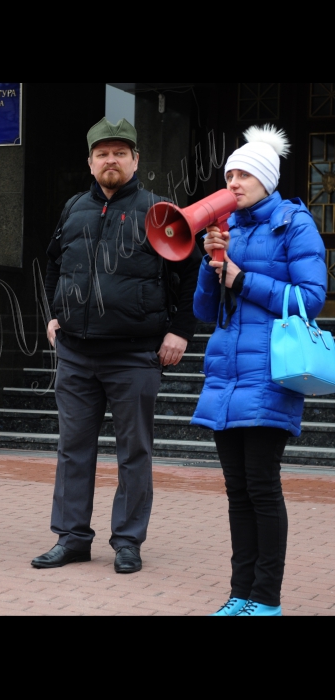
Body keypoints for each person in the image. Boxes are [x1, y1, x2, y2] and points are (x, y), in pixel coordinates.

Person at [32, 117, 201, 573]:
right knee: (73, 448)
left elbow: (190, 276)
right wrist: (53, 314)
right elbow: (53, 265)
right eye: (103, 153)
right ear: (90, 162)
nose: (112, 160)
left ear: (135, 160)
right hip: (76, 352)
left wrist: (180, 331)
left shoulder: (159, 211)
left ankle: (128, 541)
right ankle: (72, 538)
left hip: (135, 353)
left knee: (134, 451)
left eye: (120, 153)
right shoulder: (72, 209)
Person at [192, 126, 327, 616]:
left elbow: (309, 300)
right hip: (227, 377)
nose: (233, 181)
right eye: (229, 173)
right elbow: (206, 312)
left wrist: (243, 278)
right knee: (238, 492)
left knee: (262, 487)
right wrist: (212, 263)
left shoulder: (294, 223)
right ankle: (239, 594)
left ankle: (265, 600)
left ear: (266, 178)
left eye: (243, 173)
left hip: (270, 375)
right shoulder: (229, 227)